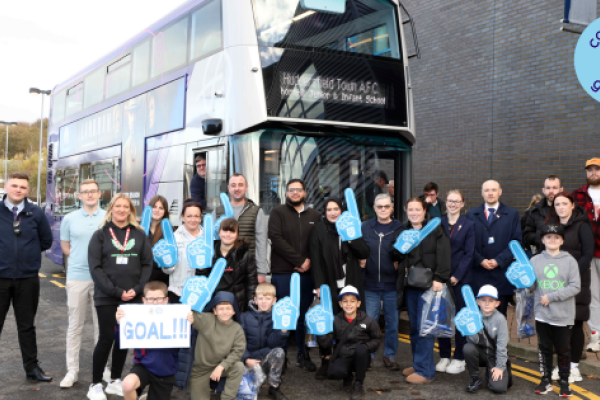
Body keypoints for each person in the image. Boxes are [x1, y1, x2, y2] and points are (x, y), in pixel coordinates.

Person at [87, 193, 153, 400]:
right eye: (118, 206)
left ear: (130, 210)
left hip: (133, 295)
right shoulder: (100, 235)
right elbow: (95, 268)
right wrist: (116, 291)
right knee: (106, 338)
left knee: (123, 339)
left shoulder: (139, 234)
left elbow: (147, 264)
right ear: (111, 209)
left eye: (126, 206)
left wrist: (138, 289)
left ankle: (115, 380)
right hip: (107, 296)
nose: (122, 210)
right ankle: (95, 384)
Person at [309, 197, 370, 379]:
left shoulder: (351, 226)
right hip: (328, 284)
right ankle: (325, 361)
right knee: (328, 324)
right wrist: (319, 285)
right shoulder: (319, 229)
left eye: (336, 209)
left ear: (342, 211)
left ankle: (348, 361)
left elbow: (364, 252)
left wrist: (351, 239)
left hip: (350, 283)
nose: (333, 213)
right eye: (329, 210)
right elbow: (316, 259)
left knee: (351, 324)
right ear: (324, 212)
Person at [0, 172, 53, 382]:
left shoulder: (36, 213)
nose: (18, 190)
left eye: (22, 187)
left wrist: (28, 255)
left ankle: (32, 368)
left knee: (27, 326)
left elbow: (46, 240)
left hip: (27, 279)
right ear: (6, 186)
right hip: (0, 278)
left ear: (28, 190)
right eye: (14, 185)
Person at [392, 197, 450, 384]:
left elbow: (444, 254)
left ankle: (426, 372)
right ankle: (418, 364)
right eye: (410, 209)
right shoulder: (403, 230)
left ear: (425, 211)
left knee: (425, 328)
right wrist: (400, 247)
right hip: (410, 285)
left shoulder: (435, 229)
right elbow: (395, 254)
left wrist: (439, 278)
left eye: (418, 209)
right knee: (415, 328)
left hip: (429, 286)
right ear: (406, 211)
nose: (414, 213)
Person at [268, 179, 321, 371]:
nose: (295, 193)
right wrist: (299, 260)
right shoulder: (277, 212)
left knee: (302, 316)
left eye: (298, 190)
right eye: (291, 190)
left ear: (305, 193)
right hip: (283, 273)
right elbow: (276, 238)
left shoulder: (315, 215)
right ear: (286, 193)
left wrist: (309, 261)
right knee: (283, 315)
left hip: (306, 274)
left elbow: (318, 242)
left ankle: (302, 355)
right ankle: (280, 358)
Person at [59, 179, 106, 388]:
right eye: (85, 192)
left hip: (103, 279)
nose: (89, 194)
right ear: (79, 196)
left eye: (93, 191)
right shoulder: (69, 219)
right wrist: (83, 260)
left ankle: (103, 369)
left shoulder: (108, 217)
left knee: (102, 327)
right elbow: (66, 247)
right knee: (75, 325)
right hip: (77, 277)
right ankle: (72, 371)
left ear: (99, 194)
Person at [544, 192, 594, 383]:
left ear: (573, 205)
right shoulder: (552, 226)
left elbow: (587, 254)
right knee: (560, 326)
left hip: (577, 281)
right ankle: (563, 364)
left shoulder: (582, 225)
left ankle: (573, 368)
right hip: (554, 282)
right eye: (557, 204)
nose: (561, 207)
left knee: (575, 323)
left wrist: (570, 274)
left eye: (565, 203)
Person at [117, 281, 194, 400]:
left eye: (159, 299)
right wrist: (120, 324)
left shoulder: (176, 317)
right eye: (150, 299)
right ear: (144, 300)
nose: (155, 302)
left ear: (166, 300)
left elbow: (185, 344)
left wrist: (188, 325)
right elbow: (120, 342)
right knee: (127, 385)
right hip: (144, 366)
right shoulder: (136, 317)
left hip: (166, 371)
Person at [528, 224, 581, 397]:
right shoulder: (535, 260)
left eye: (556, 237)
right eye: (548, 237)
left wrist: (551, 297)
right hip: (542, 314)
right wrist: (525, 283)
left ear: (562, 241)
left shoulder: (569, 261)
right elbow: (531, 286)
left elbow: (575, 286)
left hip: (562, 314)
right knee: (544, 348)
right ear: (543, 240)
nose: (552, 240)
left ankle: (564, 381)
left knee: (563, 350)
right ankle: (546, 380)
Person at [466, 180, 522, 316]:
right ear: (482, 193)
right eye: (487, 190)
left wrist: (499, 260)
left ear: (500, 192)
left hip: (501, 274)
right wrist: (480, 260)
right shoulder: (471, 215)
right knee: (478, 319)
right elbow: (467, 242)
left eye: (494, 190)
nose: (490, 193)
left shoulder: (512, 214)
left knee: (500, 319)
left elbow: (516, 242)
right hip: (478, 274)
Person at [316, 285, 382, 400]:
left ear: (358, 303)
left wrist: (366, 347)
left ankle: (358, 383)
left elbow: (377, 338)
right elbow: (326, 343)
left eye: (352, 301)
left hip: (361, 357)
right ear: (340, 304)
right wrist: (320, 332)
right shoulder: (335, 320)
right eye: (345, 301)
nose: (348, 304)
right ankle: (347, 376)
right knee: (334, 373)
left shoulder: (368, 321)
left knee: (360, 350)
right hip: (344, 356)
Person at [362, 193, 403, 370]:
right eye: (380, 207)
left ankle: (390, 356)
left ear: (392, 208)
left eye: (387, 206)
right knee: (369, 323)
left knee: (392, 323)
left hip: (392, 284)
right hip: (370, 284)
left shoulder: (400, 228)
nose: (383, 209)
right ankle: (368, 355)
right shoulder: (365, 227)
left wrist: (399, 263)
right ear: (374, 208)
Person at [436, 190, 475, 375]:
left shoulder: (469, 225)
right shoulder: (438, 223)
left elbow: (469, 253)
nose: (453, 204)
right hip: (441, 278)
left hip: (461, 280)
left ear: (462, 203)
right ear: (445, 202)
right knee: (442, 318)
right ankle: (444, 356)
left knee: (460, 318)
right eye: (450, 201)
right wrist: (440, 275)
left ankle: (459, 357)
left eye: (457, 201)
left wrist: (457, 276)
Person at [189, 291, 245, 400]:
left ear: (234, 311)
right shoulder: (206, 319)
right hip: (200, 370)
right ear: (214, 310)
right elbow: (194, 316)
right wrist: (190, 314)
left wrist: (221, 366)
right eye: (221, 308)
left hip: (220, 365)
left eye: (228, 308)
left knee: (238, 366)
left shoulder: (237, 328)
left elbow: (238, 351)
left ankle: (227, 398)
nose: (225, 312)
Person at [213, 173, 268, 283]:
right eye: (233, 185)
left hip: (248, 270)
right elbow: (211, 242)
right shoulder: (217, 212)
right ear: (228, 188)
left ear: (246, 187)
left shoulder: (256, 211)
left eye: (240, 185)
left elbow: (261, 243)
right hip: (223, 269)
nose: (237, 188)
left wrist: (261, 271)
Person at [239, 282, 290, 400]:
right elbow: (239, 342)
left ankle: (274, 388)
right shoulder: (244, 317)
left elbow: (273, 344)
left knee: (279, 352)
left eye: (268, 298)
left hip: (265, 358)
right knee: (247, 396)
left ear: (274, 300)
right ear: (255, 300)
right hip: (249, 361)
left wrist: (282, 332)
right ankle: (253, 381)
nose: (264, 302)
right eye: (261, 298)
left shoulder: (277, 318)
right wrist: (246, 359)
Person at [196, 218, 258, 312]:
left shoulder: (245, 255)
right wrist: (201, 269)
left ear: (237, 235)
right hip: (213, 302)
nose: (228, 234)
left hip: (237, 303)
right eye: (225, 230)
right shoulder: (208, 252)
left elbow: (252, 283)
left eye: (232, 232)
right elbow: (201, 280)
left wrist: (251, 304)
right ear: (219, 232)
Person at [572, 158, 600, 352]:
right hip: (588, 253)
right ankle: (596, 336)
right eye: (590, 169)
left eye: (597, 169)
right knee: (593, 296)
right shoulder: (577, 195)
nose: (593, 172)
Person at [463, 285, 510, 395]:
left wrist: (500, 367)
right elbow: (471, 342)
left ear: (497, 303)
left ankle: (491, 372)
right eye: (483, 300)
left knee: (499, 388)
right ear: (478, 302)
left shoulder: (500, 319)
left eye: (491, 301)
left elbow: (502, 345)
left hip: (494, 356)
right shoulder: (473, 317)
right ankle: (475, 378)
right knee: (468, 348)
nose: (487, 303)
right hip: (481, 355)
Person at [164, 200, 203, 304]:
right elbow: (167, 270)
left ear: (200, 218)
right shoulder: (173, 238)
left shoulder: (208, 238)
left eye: (196, 216)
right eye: (189, 216)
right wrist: (167, 263)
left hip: (200, 293)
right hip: (178, 292)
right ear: (183, 217)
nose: (193, 219)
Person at [522, 175, 563, 251]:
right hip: (542, 254)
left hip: (564, 255)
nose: (551, 191)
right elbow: (527, 234)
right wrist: (542, 238)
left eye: (555, 188)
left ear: (561, 190)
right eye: (548, 188)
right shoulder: (535, 210)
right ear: (543, 190)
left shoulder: (569, 209)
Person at [147, 195, 171, 286]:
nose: (157, 210)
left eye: (161, 208)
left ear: (165, 212)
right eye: (154, 207)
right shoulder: (139, 229)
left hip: (160, 282)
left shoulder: (169, 232)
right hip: (140, 282)